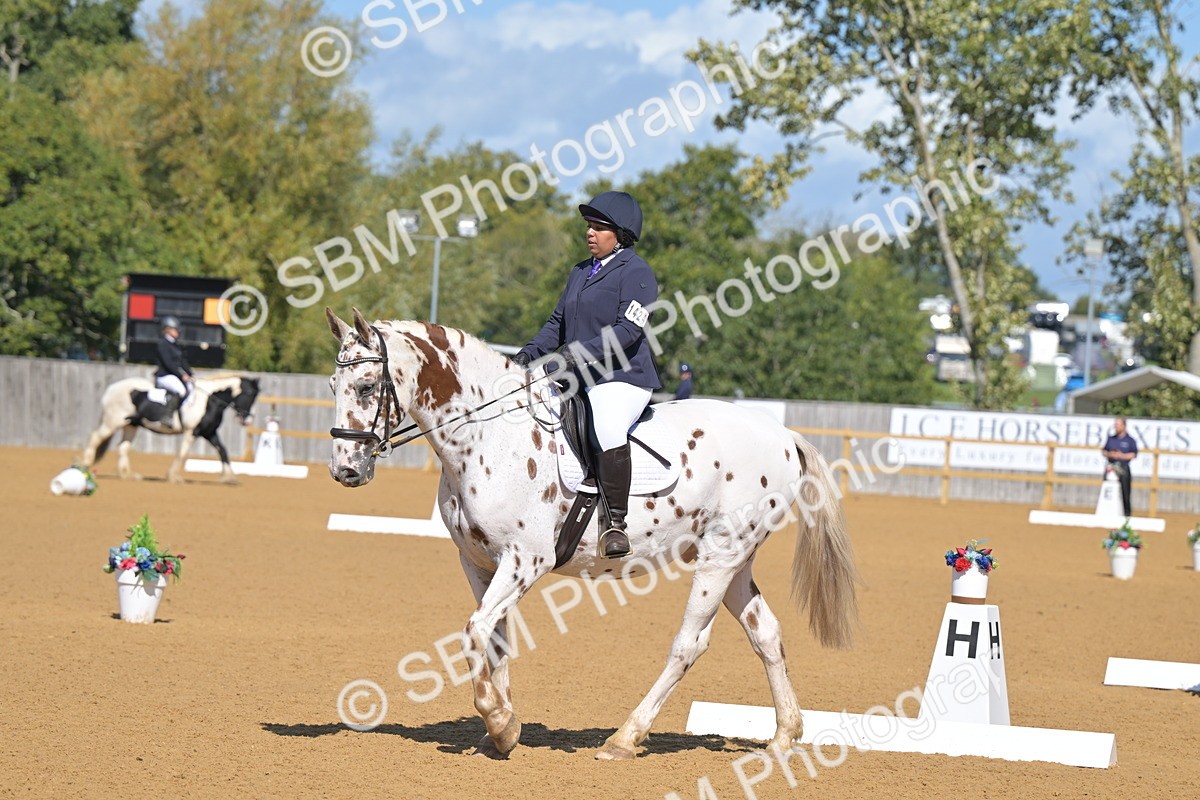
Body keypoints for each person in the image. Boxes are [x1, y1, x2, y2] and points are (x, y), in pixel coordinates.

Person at [512, 191, 660, 559]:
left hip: (622, 377)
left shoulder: (637, 273)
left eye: (599, 227)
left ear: (621, 235)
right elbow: (557, 323)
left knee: (606, 425)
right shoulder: (580, 271)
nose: (590, 233)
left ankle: (615, 524)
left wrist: (573, 355)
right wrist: (527, 354)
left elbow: (629, 331)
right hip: (577, 374)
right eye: (589, 227)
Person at [155, 316, 193, 423]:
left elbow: (182, 362)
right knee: (180, 390)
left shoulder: (175, 345)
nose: (178, 331)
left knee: (190, 388)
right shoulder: (163, 344)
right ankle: (167, 417)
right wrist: (182, 375)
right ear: (168, 329)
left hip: (173, 376)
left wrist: (190, 374)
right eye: (175, 329)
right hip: (164, 376)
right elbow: (169, 364)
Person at [1101, 417, 1137, 516]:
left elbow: (1133, 454)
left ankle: (1127, 514)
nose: (1116, 427)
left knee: (1125, 491)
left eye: (1118, 425)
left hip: (1123, 467)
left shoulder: (1130, 440)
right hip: (1111, 466)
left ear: (1124, 426)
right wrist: (1110, 454)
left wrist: (1122, 456)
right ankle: (1106, 512)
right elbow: (1104, 451)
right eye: (1115, 425)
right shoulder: (1111, 439)